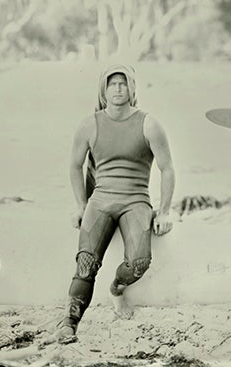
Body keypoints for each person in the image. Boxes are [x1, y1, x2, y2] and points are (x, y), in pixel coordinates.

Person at [52, 64, 176, 342]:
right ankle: (69, 323)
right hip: (102, 201)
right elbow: (74, 165)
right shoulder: (89, 123)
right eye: (112, 84)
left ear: (132, 89)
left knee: (139, 263)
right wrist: (81, 206)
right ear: (103, 89)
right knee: (85, 263)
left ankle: (117, 288)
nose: (118, 89)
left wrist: (165, 211)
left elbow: (168, 168)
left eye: (123, 84)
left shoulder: (149, 124)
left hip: (136, 202)